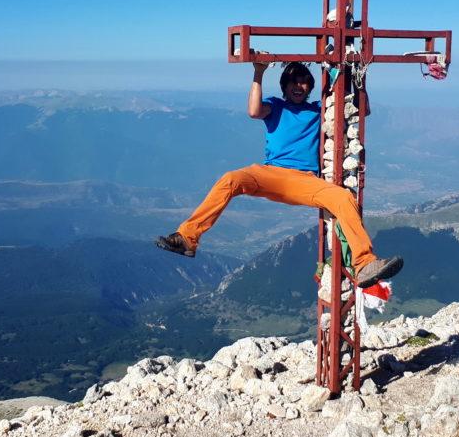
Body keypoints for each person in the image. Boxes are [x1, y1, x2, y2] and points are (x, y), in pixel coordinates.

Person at [155, 60, 402, 289]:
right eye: (293, 81)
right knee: (231, 179)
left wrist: (359, 80)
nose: (298, 85)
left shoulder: (319, 110)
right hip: (269, 173)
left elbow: (362, 112)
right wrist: (259, 72)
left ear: (310, 87)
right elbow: (253, 111)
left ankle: (364, 264)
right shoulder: (276, 105)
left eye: (304, 81)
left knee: (342, 198)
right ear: (284, 86)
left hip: (304, 180)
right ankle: (188, 237)